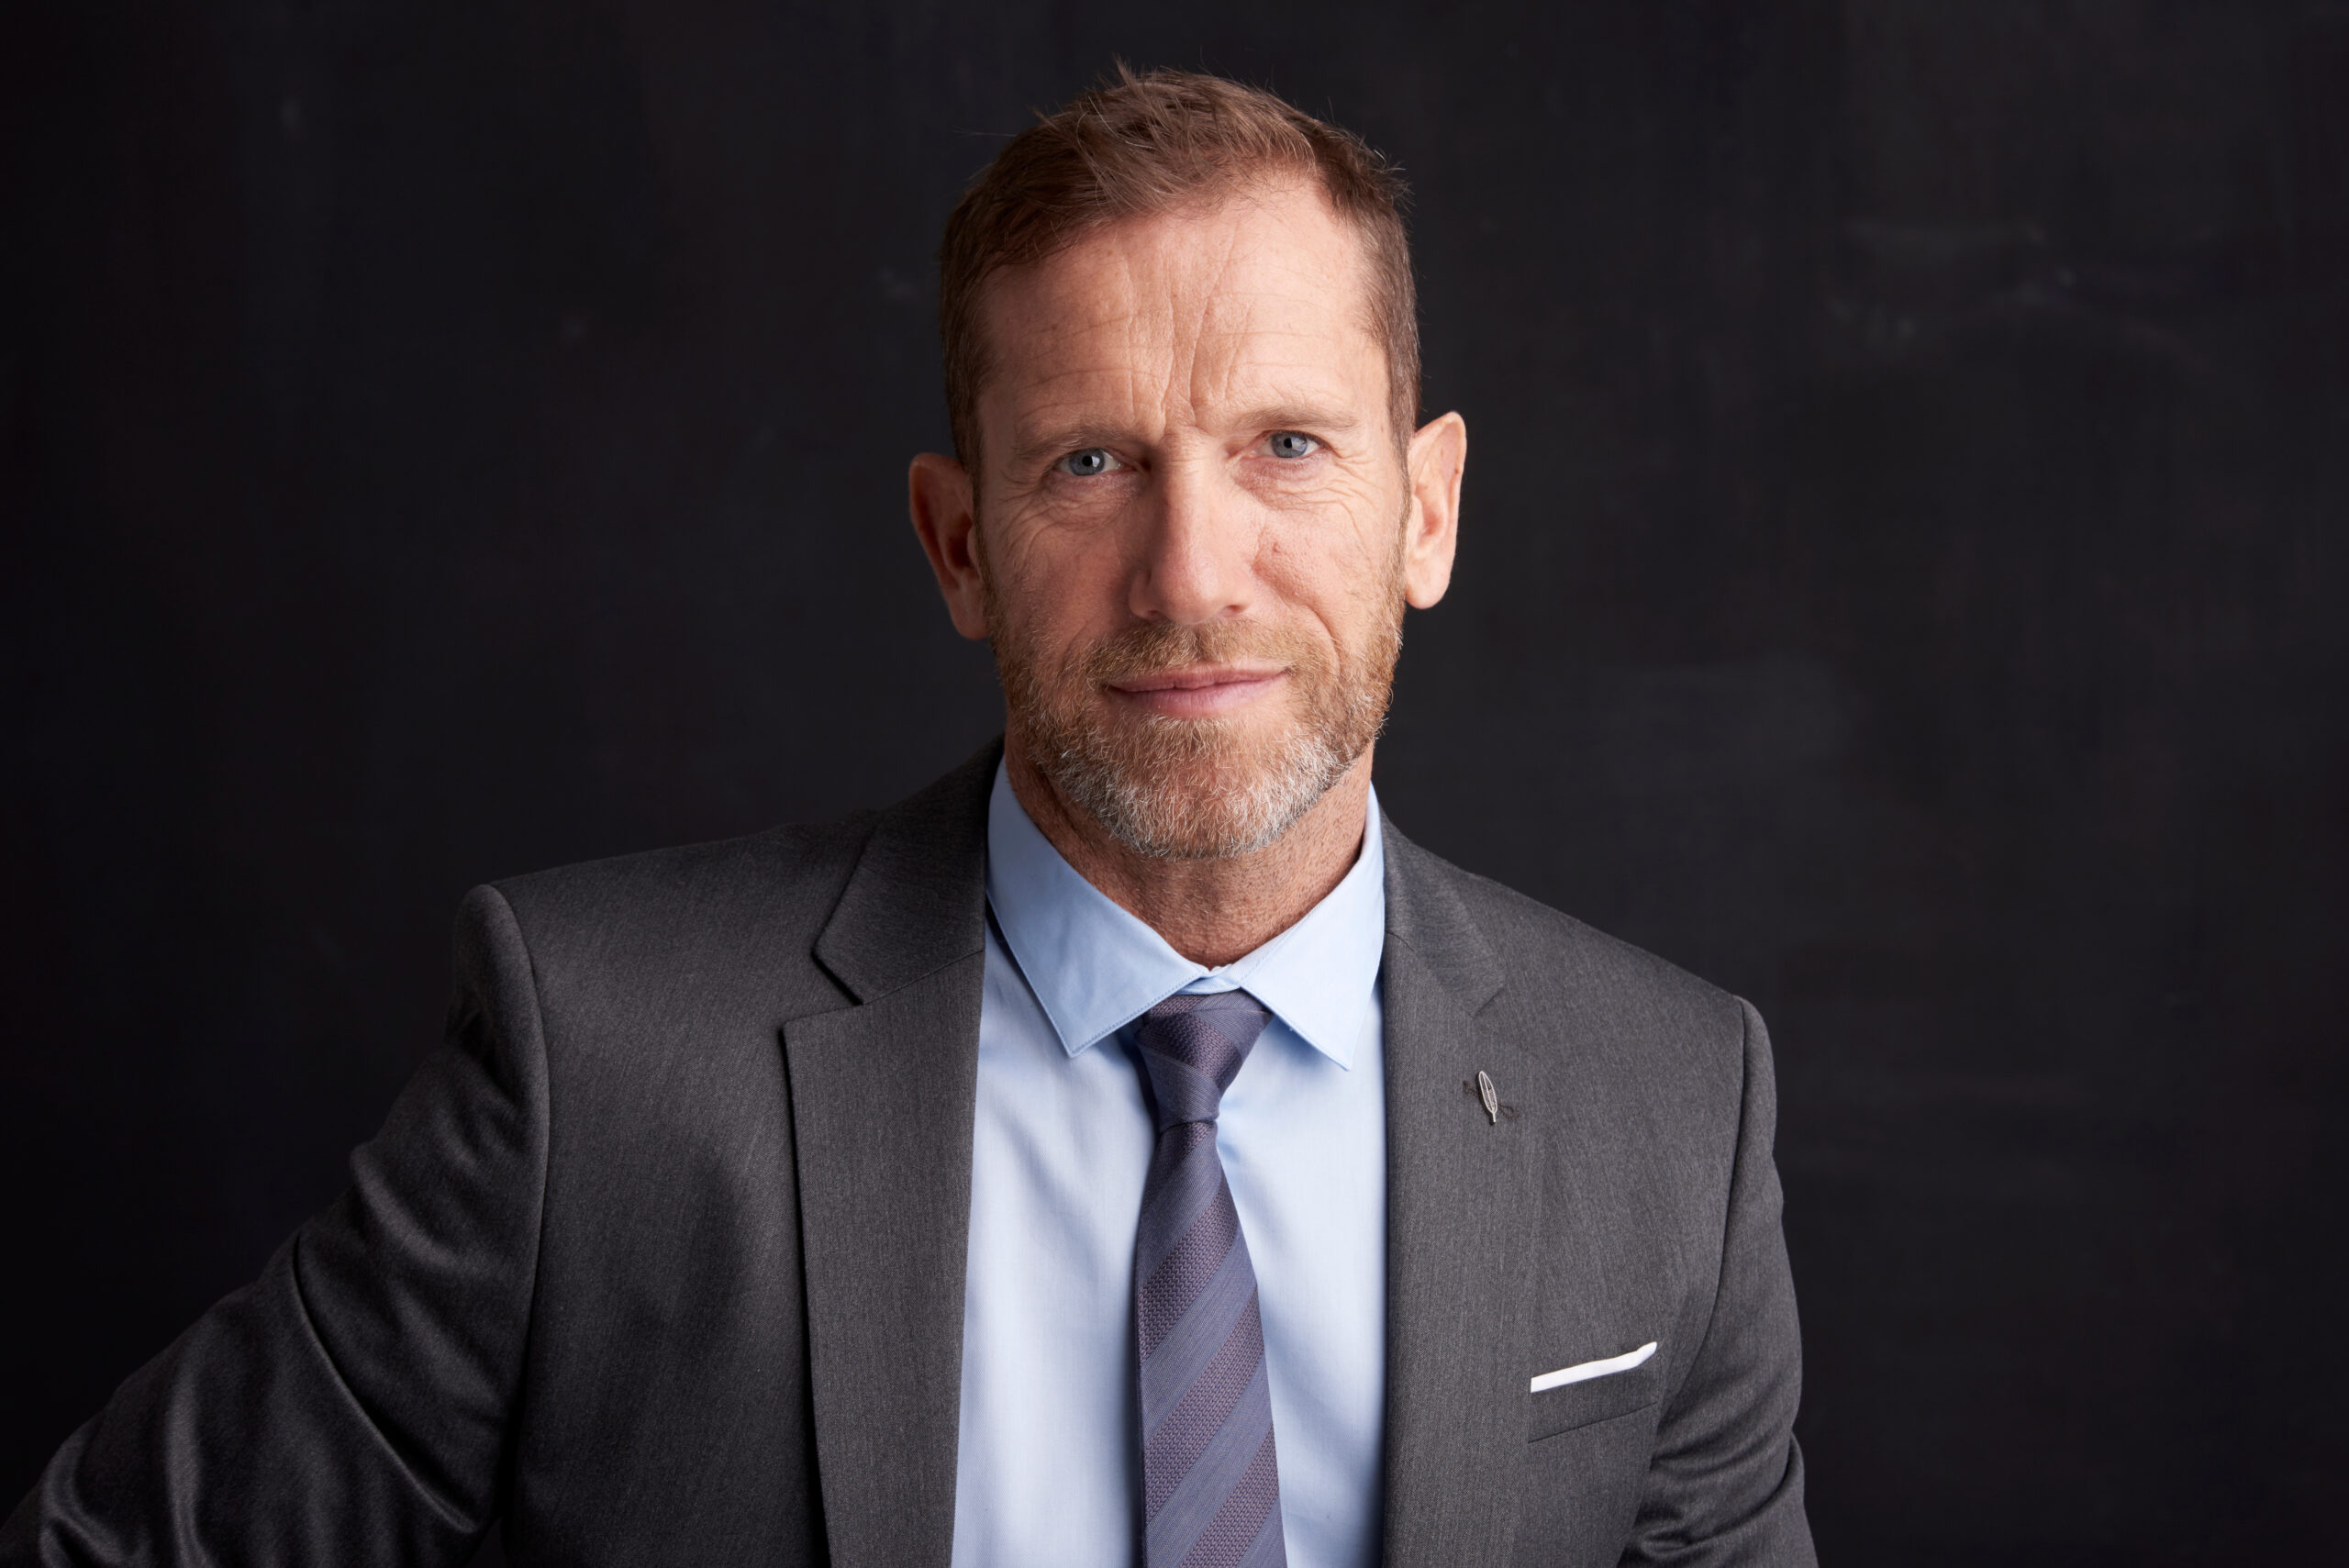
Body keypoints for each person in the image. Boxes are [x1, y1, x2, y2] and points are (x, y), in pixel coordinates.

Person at [1, 68, 1813, 1568]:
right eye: (1089, 462)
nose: (1190, 575)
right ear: (959, 544)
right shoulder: (601, 1069)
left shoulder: (1669, 1109)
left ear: (1426, 513)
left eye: (1284, 446)